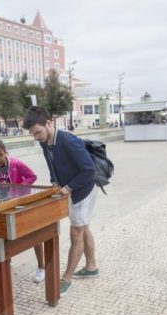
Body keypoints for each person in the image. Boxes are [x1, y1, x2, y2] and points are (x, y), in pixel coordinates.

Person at [23, 106, 98, 296]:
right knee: (84, 227)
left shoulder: (68, 141)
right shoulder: (44, 142)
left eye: (38, 132)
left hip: (83, 191)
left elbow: (89, 170)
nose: (36, 137)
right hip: (71, 190)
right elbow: (51, 163)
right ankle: (91, 267)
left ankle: (66, 279)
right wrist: (55, 181)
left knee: (77, 233)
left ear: (50, 123)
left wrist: (68, 188)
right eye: (33, 134)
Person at [0, 138, 46, 283]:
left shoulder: (16, 163)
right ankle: (6, 263)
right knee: (3, 233)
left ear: (6, 152)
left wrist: (18, 189)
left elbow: (32, 176)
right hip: (4, 204)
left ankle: (41, 267)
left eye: (0, 155)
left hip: (21, 204)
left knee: (34, 234)